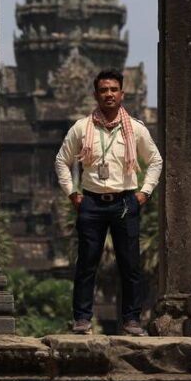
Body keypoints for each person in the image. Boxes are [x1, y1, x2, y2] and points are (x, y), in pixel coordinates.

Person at [55, 68, 162, 335]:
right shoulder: (82, 127)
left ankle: (132, 321)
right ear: (96, 95)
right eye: (104, 90)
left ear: (122, 94)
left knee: (130, 265)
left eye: (114, 89)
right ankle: (81, 319)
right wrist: (72, 193)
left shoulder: (135, 129)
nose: (109, 94)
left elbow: (155, 161)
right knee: (86, 264)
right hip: (90, 201)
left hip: (126, 201)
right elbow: (61, 161)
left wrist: (144, 193)